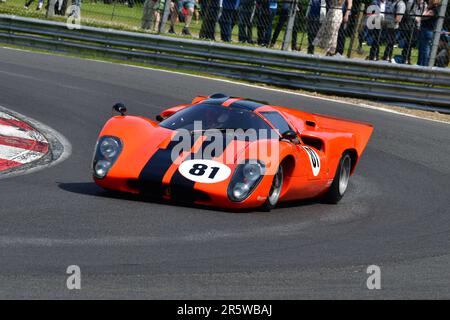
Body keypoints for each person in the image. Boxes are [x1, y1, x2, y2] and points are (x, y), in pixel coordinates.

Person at [399, 0, 425, 64]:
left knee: (413, 43)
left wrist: (421, 18)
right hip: (409, 25)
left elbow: (424, 14)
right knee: (408, 42)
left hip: (418, 27)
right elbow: (407, 13)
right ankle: (405, 58)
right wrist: (415, 18)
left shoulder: (424, 4)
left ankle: (407, 57)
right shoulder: (411, 2)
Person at [417, 0, 440, 66]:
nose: (428, 1)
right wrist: (427, 8)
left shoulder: (434, 9)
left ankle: (425, 64)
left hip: (428, 31)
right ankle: (420, 64)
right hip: (424, 29)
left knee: (425, 49)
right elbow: (422, 16)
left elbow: (422, 17)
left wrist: (422, 15)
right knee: (421, 48)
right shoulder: (429, 8)